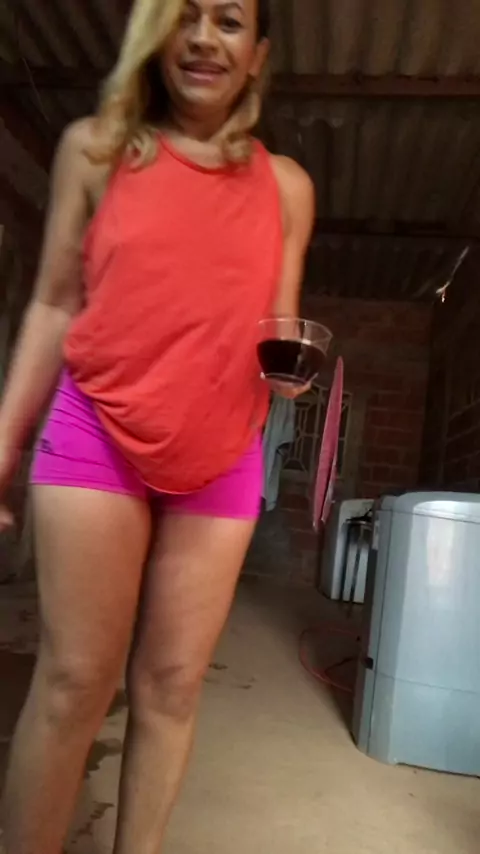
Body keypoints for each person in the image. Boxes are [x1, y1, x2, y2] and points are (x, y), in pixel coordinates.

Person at [0, 0, 314, 851]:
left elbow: (280, 322)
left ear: (258, 55)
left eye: (229, 21)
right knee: (74, 681)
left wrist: (289, 365)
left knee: (172, 686)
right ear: (157, 35)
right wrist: (3, 440)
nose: (204, 38)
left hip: (222, 449)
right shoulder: (95, 150)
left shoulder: (288, 187)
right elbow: (53, 304)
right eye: (186, 17)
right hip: (97, 428)